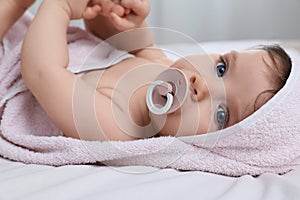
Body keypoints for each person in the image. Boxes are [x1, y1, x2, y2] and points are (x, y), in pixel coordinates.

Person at [1, 0, 291, 141]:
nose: (199, 85)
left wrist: (60, 6)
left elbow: (42, 72)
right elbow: (113, 38)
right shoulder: (164, 66)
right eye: (221, 68)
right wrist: (116, 13)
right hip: (32, 37)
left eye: (221, 115)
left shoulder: (118, 126)